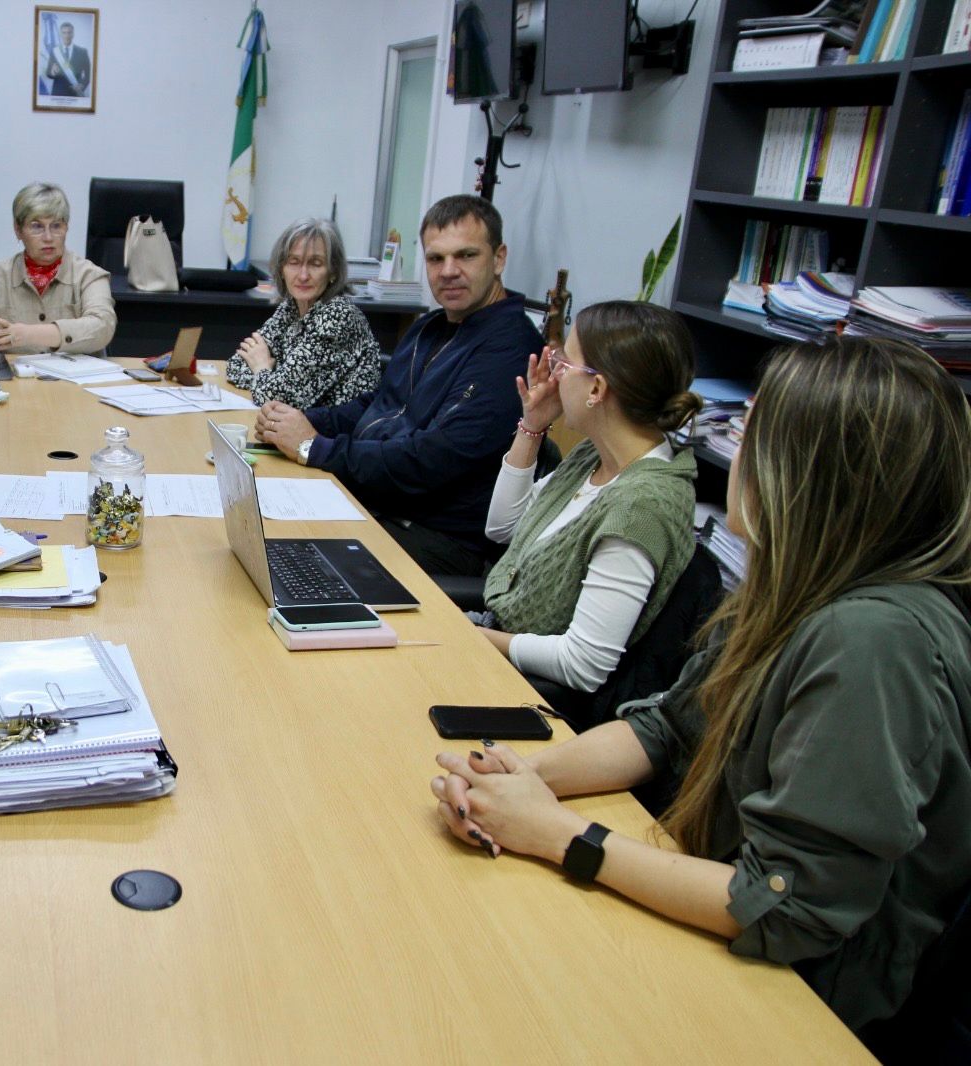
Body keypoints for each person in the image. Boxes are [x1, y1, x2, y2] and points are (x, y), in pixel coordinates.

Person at [431, 337, 971, 1036]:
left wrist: (562, 835)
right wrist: (513, 784)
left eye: (753, 430)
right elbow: (667, 724)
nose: (735, 450)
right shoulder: (795, 584)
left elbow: (781, 908)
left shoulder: (874, 641)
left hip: (797, 1007)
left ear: (815, 473)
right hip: (716, 905)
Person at [255, 194, 542, 577]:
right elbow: (377, 406)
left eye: (466, 256)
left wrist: (315, 447)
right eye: (436, 258)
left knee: (284, 564)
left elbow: (431, 460)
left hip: (437, 537)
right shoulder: (430, 327)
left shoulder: (512, 350)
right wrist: (296, 421)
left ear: (499, 258)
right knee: (254, 525)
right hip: (379, 502)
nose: (448, 271)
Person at [476, 302, 701, 693]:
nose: (555, 373)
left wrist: (471, 637)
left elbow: (583, 665)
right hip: (494, 640)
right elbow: (502, 529)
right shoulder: (594, 454)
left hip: (521, 685)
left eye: (565, 362)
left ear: (596, 388)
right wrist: (532, 425)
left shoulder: (641, 506)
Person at [0, 182, 115, 356]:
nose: (48, 237)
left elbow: (103, 326)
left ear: (66, 227)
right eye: (36, 226)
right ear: (18, 230)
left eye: (56, 226)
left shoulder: (90, 276)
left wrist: (28, 334)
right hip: (14, 383)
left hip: (75, 383)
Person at [224, 218, 383, 409]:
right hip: (297, 427)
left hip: (334, 434)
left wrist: (262, 367)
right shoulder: (291, 307)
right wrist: (271, 378)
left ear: (333, 271)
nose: (303, 275)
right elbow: (236, 365)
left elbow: (276, 398)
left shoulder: (338, 316)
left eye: (316, 264)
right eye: (294, 262)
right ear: (281, 268)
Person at [44, 21, 91, 97]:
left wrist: (82, 86)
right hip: (58, 94)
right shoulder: (55, 51)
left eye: (69, 32)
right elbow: (48, 74)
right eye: (64, 33)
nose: (67, 35)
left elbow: (88, 75)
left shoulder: (83, 52)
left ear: (73, 34)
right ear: (60, 34)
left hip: (76, 94)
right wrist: (52, 72)